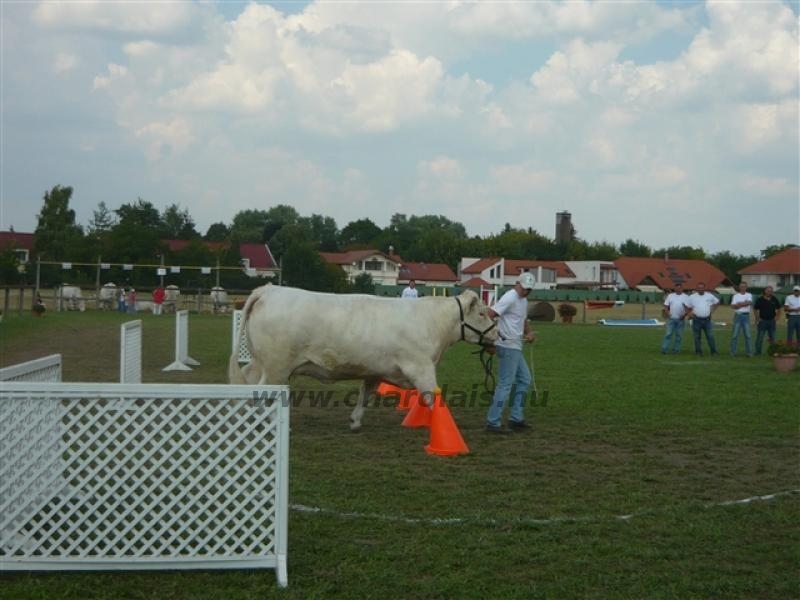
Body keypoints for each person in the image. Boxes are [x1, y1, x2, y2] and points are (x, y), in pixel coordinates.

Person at [484, 272, 537, 434]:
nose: (526, 291)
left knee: (524, 379)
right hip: (507, 346)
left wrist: (529, 333)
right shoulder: (510, 297)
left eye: (529, 289)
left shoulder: (522, 300)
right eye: (524, 288)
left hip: (515, 346)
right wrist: (490, 339)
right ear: (517, 284)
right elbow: (490, 314)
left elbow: (523, 320)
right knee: (505, 384)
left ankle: (516, 418)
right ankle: (493, 422)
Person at [685, 282, 720, 356]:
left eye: (702, 287)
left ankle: (713, 352)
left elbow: (717, 302)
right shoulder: (692, 297)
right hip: (696, 319)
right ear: (697, 288)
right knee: (697, 337)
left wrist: (713, 309)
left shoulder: (709, 295)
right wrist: (689, 313)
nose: (700, 289)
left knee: (710, 336)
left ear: (704, 288)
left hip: (707, 320)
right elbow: (686, 306)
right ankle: (698, 352)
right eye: (699, 288)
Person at [661, 283, 689, 354]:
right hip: (671, 319)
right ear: (675, 288)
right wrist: (667, 312)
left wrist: (684, 315)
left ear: (682, 289)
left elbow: (688, 308)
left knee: (679, 336)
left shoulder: (686, 297)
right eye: (676, 288)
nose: (678, 289)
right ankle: (664, 349)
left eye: (679, 288)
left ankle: (676, 350)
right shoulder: (670, 296)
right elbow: (666, 305)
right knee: (668, 334)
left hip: (681, 319)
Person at [753, 286, 781, 355]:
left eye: (771, 291)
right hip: (762, 321)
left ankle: (773, 352)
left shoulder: (774, 299)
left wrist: (777, 317)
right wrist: (757, 318)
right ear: (765, 291)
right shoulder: (760, 299)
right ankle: (758, 352)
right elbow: (755, 309)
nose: (770, 292)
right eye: (768, 291)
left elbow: (779, 309)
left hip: (772, 322)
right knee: (760, 338)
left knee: (773, 338)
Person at [729, 281, 753, 357]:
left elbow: (749, 302)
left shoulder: (749, 295)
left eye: (744, 286)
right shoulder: (735, 296)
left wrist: (739, 304)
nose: (742, 288)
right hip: (738, 316)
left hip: (746, 316)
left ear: (746, 287)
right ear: (739, 287)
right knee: (735, 335)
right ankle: (733, 352)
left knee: (748, 336)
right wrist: (744, 303)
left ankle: (749, 352)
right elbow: (732, 306)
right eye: (741, 286)